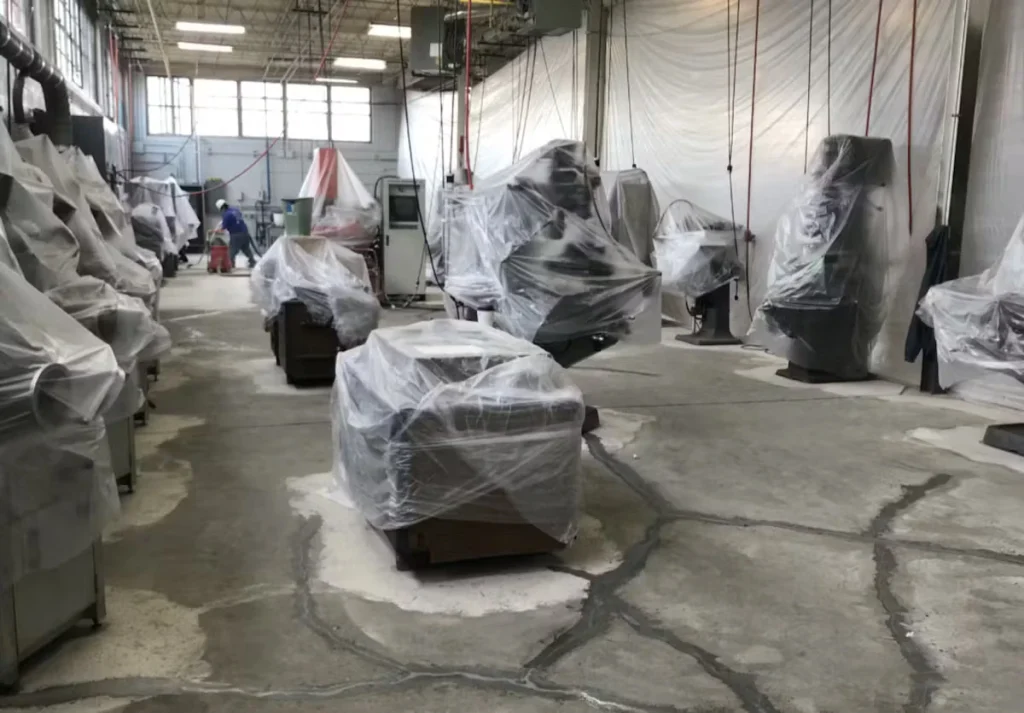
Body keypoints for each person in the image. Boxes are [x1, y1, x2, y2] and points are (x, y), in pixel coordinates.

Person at [216, 199, 258, 269]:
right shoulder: (235, 210)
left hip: (236, 235)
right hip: (245, 233)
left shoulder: (226, 215)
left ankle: (230, 264)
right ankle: (252, 262)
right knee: (246, 249)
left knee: (231, 250)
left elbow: (223, 228)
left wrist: (216, 231)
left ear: (221, 208)